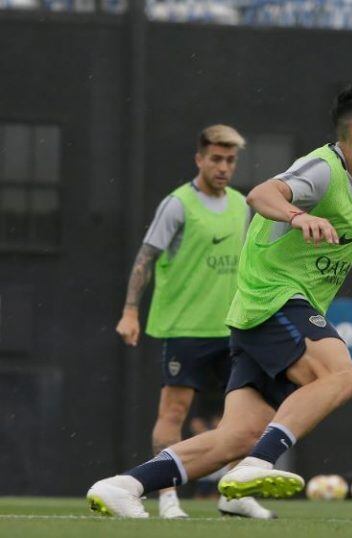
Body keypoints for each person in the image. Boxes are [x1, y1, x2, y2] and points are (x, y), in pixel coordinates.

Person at [88, 81, 352, 518]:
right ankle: (257, 464)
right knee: (343, 376)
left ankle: (124, 485)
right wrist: (298, 216)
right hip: (271, 298)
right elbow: (261, 195)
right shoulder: (322, 169)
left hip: (263, 314)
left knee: (236, 436)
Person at [112, 125, 273, 519]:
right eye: (215, 159)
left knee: (247, 417)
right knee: (173, 415)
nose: (223, 167)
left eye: (230, 160)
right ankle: (167, 498)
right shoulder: (178, 204)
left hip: (233, 327)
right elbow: (145, 258)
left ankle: (233, 494)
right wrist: (130, 311)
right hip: (185, 328)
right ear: (200, 159)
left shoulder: (241, 204)